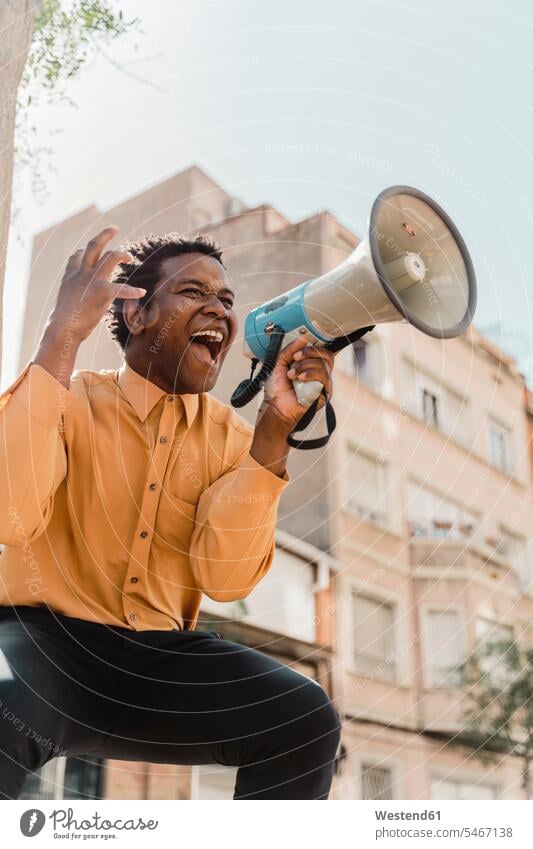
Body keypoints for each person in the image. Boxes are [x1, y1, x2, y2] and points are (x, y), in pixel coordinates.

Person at [0, 226, 341, 800]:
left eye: (227, 301)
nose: (218, 309)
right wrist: (61, 334)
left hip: (162, 664)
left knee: (302, 717)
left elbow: (226, 580)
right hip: (42, 645)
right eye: (193, 292)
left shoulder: (236, 441)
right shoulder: (61, 395)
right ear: (137, 316)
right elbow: (9, 515)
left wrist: (274, 433)